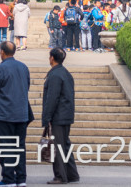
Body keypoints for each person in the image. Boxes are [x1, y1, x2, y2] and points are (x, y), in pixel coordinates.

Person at [0, 41, 31, 187]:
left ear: (2, 52)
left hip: (5, 114)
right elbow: (27, 86)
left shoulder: (0, 69)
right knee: (20, 147)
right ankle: (21, 178)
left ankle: (9, 178)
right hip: (21, 113)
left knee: (6, 146)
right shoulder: (23, 67)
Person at [42, 48, 79, 185]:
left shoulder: (55, 75)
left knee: (57, 147)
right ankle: (71, 174)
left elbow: (52, 98)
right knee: (65, 145)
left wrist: (46, 118)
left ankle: (60, 176)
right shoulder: (65, 73)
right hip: (66, 114)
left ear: (52, 58)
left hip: (58, 116)